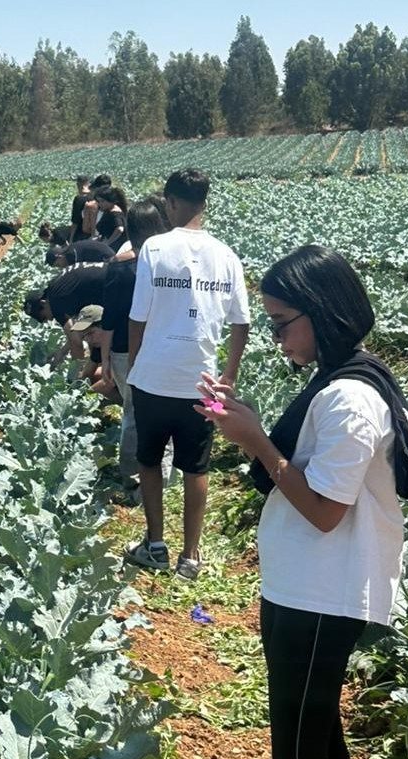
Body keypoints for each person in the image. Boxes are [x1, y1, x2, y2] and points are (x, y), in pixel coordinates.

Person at [198, 245, 408, 759]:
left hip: (320, 595)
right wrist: (243, 426)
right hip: (304, 589)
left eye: (282, 323)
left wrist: (257, 444)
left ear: (322, 314)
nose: (276, 338)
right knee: (323, 753)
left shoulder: (349, 397)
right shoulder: (340, 381)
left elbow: (325, 510)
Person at [124, 168, 249, 579]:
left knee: (149, 458)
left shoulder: (155, 249)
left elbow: (138, 317)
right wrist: (228, 373)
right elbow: (241, 322)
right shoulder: (227, 254)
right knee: (198, 466)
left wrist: (138, 365)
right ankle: (191, 557)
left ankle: (155, 543)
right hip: (206, 381)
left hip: (153, 377)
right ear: (204, 203)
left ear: (171, 202)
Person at [95, 200, 170, 498]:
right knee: (166, 410)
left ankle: (131, 475)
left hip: (126, 351)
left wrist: (105, 361)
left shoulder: (120, 269)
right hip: (164, 348)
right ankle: (166, 477)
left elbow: (110, 321)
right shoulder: (171, 266)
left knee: (133, 413)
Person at [23, 259, 107, 368]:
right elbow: (76, 332)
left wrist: (75, 372)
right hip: (112, 273)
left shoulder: (55, 303)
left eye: (44, 317)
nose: (49, 320)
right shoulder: (57, 287)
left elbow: (76, 342)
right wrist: (62, 352)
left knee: (97, 339)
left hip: (114, 286)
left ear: (43, 303)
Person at [68, 175, 91, 242]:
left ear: (78, 184)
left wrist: (71, 238)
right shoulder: (95, 196)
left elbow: (75, 220)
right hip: (95, 231)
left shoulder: (79, 199)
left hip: (81, 232)